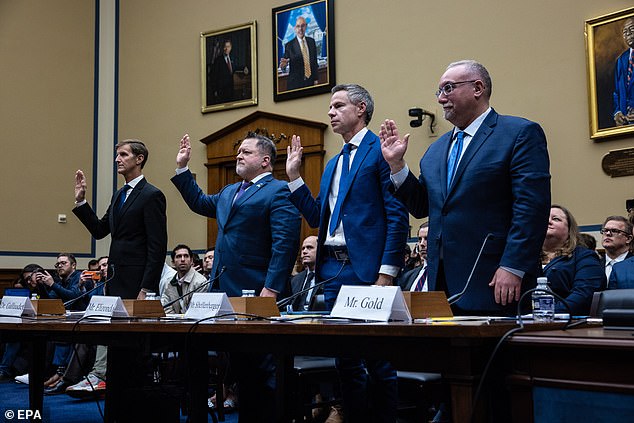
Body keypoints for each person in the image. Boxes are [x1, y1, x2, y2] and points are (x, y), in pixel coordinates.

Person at [380, 59, 551, 315]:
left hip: (496, 279)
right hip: (443, 285)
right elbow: (422, 206)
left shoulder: (519, 134)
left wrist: (514, 266)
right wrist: (397, 166)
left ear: (478, 88)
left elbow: (532, 207)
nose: (440, 99)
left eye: (448, 88)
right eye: (439, 91)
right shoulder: (435, 150)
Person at [286, 83, 409, 423]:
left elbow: (397, 215)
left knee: (379, 362)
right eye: (330, 107)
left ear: (361, 110)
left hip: (368, 272)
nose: (330, 112)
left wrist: (387, 274)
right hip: (332, 273)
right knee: (346, 362)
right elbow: (317, 218)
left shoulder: (379, 150)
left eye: (338, 106)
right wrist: (295, 179)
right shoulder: (333, 163)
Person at [172, 132, 300, 423]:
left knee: (262, 369)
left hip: (258, 290)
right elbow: (199, 202)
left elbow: (285, 242)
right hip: (224, 290)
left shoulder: (279, 190)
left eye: (246, 152)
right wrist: (182, 169)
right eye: (238, 151)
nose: (238, 156)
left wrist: (271, 288)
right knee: (240, 367)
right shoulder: (230, 192)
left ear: (265, 160)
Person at [73, 139, 168, 300]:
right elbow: (99, 230)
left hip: (137, 283)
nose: (117, 159)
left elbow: (157, 247)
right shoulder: (118, 195)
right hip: (114, 279)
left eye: (123, 155)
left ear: (139, 159)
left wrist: (146, 289)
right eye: (117, 155)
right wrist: (81, 201)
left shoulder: (152, 195)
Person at [540, 205, 605, 315]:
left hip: (566, 323)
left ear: (569, 229)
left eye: (556, 219)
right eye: (544, 218)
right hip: (522, 319)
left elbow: (583, 295)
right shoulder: (526, 257)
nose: (549, 222)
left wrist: (551, 313)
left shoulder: (584, 257)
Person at [161, 244, 208, 314]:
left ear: (191, 261)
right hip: (173, 323)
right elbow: (165, 307)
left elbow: (197, 311)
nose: (182, 259)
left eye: (186, 256)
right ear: (173, 263)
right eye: (179, 256)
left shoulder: (201, 282)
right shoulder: (168, 282)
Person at [280, 16, 319, 90]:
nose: (300, 29)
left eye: (302, 26)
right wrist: (283, 66)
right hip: (295, 84)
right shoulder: (289, 45)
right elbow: (284, 65)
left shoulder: (311, 42)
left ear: (306, 26)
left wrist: (316, 79)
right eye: (298, 26)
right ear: (295, 28)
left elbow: (314, 63)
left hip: (310, 82)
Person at [613, 17, 634, 126]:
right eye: (625, 32)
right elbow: (616, 91)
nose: (628, 34)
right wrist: (617, 112)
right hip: (625, 124)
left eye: (632, 29)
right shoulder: (621, 59)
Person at [599, 215, 633, 283]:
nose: (608, 234)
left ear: (628, 239)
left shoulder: (632, 264)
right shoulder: (594, 264)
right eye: (605, 230)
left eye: (614, 231)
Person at [289, 235, 319, 311]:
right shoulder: (295, 279)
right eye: (303, 248)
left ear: (320, 250)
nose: (304, 251)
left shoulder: (329, 277)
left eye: (309, 247)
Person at [399, 223, 429, 292]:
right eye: (419, 239)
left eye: (426, 239)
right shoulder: (407, 276)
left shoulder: (447, 276)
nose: (421, 243)